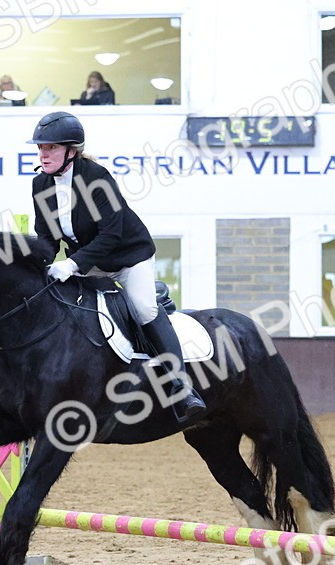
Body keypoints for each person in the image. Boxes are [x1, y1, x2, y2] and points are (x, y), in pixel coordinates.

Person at [27, 111, 205, 424]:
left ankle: (180, 386)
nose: (43, 154)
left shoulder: (96, 178)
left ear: (72, 151)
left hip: (127, 257)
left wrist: (73, 264)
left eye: (51, 148)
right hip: (87, 262)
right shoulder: (40, 184)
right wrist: (36, 266)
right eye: (40, 148)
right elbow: (47, 237)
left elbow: (111, 235)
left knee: (143, 308)